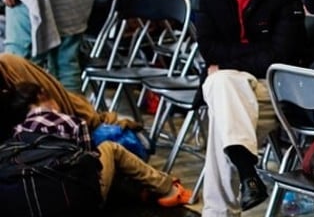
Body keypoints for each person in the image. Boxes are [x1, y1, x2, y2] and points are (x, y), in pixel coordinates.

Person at [187, 0, 306, 217]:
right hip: (233, 92)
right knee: (223, 88)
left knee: (221, 93)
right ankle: (246, 172)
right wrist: (233, 63)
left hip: (272, 88)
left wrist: (226, 63)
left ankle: (222, 214)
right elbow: (206, 46)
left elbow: (280, 55)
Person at [7, 78, 190, 207]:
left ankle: (141, 190)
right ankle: (168, 188)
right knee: (110, 149)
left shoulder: (18, 131)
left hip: (43, 199)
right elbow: (90, 164)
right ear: (42, 95)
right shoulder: (72, 123)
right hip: (77, 198)